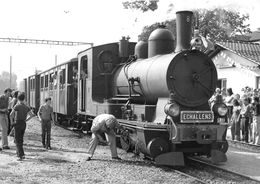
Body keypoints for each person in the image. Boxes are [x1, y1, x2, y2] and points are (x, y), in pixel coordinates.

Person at [10, 92, 34, 161]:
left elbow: (11, 115)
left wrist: (12, 123)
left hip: (17, 123)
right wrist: (26, 120)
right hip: (23, 123)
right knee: (21, 138)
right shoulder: (26, 107)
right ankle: (18, 153)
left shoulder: (17, 106)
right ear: (24, 99)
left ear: (18, 98)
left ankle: (21, 155)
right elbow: (32, 115)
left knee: (17, 140)